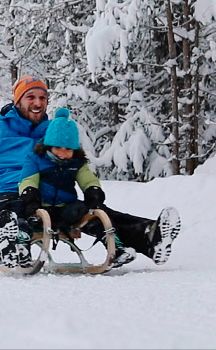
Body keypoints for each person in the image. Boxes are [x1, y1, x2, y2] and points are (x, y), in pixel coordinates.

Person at [0, 76, 180, 268]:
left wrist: (90, 190)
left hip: (47, 195)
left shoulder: (54, 133)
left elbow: (76, 162)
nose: (37, 102)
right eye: (30, 97)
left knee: (93, 211)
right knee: (10, 209)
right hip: (7, 193)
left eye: (42, 98)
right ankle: (12, 248)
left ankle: (149, 236)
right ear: (17, 100)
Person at [15, 107, 137, 267]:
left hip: (65, 209)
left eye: (68, 149)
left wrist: (94, 194)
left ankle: (116, 248)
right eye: (58, 147)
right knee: (17, 210)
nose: (62, 153)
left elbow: (88, 180)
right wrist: (31, 201)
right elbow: (28, 181)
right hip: (39, 208)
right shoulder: (36, 159)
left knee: (93, 214)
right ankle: (21, 250)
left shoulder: (77, 163)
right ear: (49, 146)